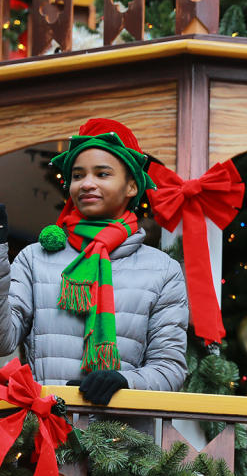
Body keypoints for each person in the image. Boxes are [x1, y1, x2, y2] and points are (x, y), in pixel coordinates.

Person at [0, 120, 189, 407]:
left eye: (102, 174)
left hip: (126, 445)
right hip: (46, 434)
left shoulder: (163, 270)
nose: (87, 183)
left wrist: (125, 383)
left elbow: (171, 368)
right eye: (78, 175)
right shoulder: (34, 258)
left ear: (131, 186)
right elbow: (4, 341)